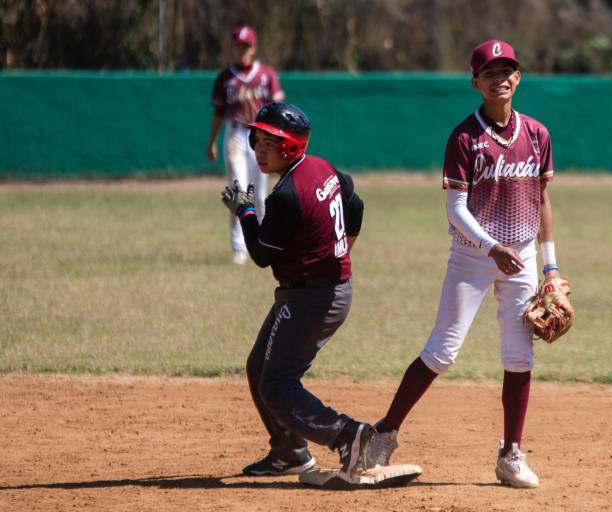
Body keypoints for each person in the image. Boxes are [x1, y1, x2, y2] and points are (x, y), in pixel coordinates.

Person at [367, 39, 562, 488]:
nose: (500, 79)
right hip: (473, 256)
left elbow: (542, 199)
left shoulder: (537, 134)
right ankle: (384, 434)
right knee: (442, 351)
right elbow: (455, 208)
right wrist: (491, 247)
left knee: (519, 354)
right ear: (475, 82)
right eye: (489, 72)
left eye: (507, 70)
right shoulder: (464, 138)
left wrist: (550, 267)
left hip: (523, 255)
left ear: (519, 77)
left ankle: (511, 454)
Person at [220, 101, 376, 479]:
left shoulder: (286, 195)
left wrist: (245, 211)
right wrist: (344, 250)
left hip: (312, 299)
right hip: (318, 292)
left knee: (276, 385)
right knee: (259, 367)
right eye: (257, 140)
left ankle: (347, 435)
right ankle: (289, 452)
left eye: (269, 142)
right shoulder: (323, 168)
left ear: (290, 146)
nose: (259, 149)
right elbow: (355, 203)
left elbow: (261, 255)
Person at [209, 25, 285, 264]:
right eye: (238, 45)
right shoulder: (225, 78)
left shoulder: (266, 75)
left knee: (260, 195)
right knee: (239, 192)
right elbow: (219, 113)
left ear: (253, 48)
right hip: (235, 135)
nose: (241, 49)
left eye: (246, 45)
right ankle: (239, 247)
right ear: (232, 47)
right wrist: (212, 142)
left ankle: (264, 243)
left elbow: (277, 109)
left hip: (262, 137)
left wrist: (278, 139)